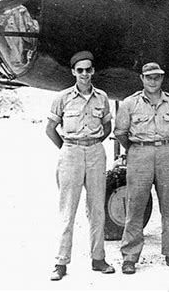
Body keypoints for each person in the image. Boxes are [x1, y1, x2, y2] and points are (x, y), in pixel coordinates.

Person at [46, 51, 115, 281]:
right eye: (80, 70)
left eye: (88, 69)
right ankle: (61, 262)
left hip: (95, 152)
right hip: (71, 152)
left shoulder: (102, 97)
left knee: (97, 208)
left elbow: (107, 127)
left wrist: (92, 144)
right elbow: (50, 129)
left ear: (93, 71)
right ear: (73, 72)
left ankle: (98, 259)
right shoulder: (63, 98)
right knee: (67, 210)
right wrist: (68, 149)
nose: (85, 74)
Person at [114, 62, 169, 273]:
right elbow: (121, 132)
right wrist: (138, 149)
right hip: (139, 154)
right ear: (142, 78)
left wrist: (163, 146)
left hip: (167, 153)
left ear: (162, 79)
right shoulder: (130, 103)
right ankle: (129, 257)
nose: (153, 81)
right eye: (149, 77)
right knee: (135, 206)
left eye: (157, 77)